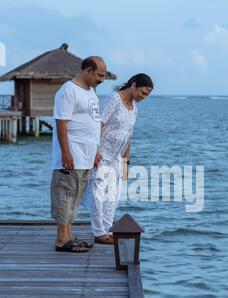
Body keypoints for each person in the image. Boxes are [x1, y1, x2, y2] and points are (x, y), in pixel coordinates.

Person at [83, 73, 153, 244]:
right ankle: (99, 233)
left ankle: (107, 230)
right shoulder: (114, 99)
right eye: (143, 93)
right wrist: (95, 151)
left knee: (112, 198)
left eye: (147, 95)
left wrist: (126, 162)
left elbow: (128, 136)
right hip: (102, 154)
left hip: (116, 158)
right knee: (98, 196)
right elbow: (99, 124)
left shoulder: (134, 108)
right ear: (134, 85)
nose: (143, 97)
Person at [51, 56, 106, 252]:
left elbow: (93, 122)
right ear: (88, 70)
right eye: (99, 75)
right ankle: (61, 240)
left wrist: (96, 151)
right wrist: (66, 153)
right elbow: (61, 123)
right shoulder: (68, 91)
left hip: (87, 155)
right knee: (65, 194)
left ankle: (69, 235)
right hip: (71, 155)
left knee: (75, 196)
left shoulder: (91, 92)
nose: (102, 79)